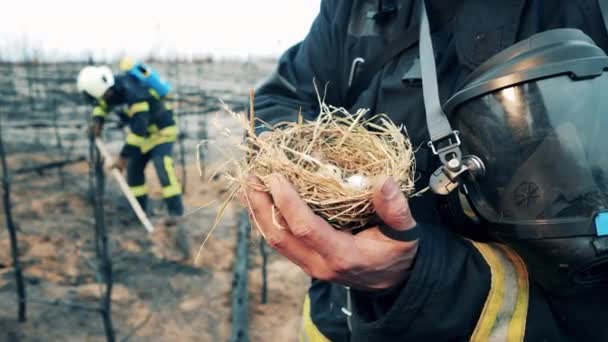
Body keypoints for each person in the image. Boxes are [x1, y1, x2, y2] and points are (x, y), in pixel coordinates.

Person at [247, 0, 608, 340]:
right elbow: (282, 100)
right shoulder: (360, 8)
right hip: (338, 320)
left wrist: (415, 276)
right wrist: (302, 159)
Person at [76, 60, 184, 219]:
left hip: (162, 132)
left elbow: (138, 131)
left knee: (162, 167)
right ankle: (139, 212)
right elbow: (101, 105)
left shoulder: (134, 94)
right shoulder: (110, 90)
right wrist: (98, 122)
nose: (102, 100)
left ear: (105, 91)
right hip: (144, 136)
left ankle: (176, 214)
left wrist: (122, 159)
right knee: (134, 172)